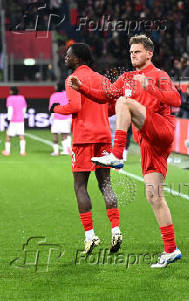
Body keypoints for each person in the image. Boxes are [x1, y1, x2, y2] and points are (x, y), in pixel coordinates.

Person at [68, 35, 182, 268]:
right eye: (131, 52)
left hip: (162, 130)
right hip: (148, 142)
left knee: (124, 103)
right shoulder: (126, 78)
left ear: (149, 54)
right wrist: (84, 89)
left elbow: (176, 99)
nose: (133, 55)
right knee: (154, 196)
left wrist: (150, 87)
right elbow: (105, 96)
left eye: (138, 52)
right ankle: (171, 249)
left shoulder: (159, 75)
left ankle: (117, 154)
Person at [51, 43, 121, 255]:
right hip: (103, 136)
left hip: (83, 138)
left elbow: (75, 107)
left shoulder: (72, 79)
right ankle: (116, 230)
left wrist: (56, 109)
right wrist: (100, 116)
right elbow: (112, 103)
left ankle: (90, 237)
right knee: (105, 184)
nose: (65, 58)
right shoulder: (101, 78)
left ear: (78, 58)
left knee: (80, 186)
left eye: (68, 55)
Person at [49, 82, 72, 156]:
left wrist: (52, 117)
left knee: (55, 134)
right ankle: (68, 149)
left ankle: (56, 152)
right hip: (68, 117)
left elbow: (51, 108)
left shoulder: (54, 95)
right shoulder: (68, 94)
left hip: (57, 117)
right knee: (66, 134)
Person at [2, 86, 27, 156]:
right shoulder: (22, 98)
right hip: (21, 120)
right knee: (21, 135)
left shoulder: (10, 98)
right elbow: (24, 108)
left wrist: (9, 118)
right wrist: (23, 116)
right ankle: (22, 152)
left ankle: (7, 151)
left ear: (12, 91)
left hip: (13, 120)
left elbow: (10, 109)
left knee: (8, 136)